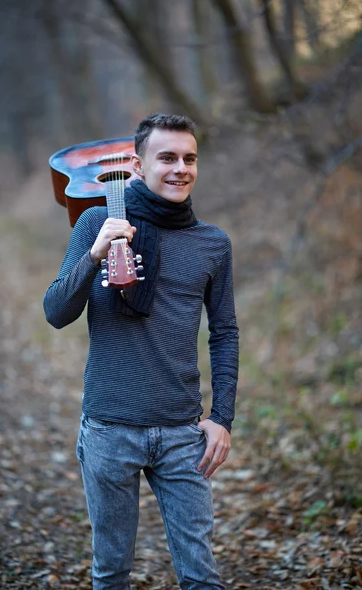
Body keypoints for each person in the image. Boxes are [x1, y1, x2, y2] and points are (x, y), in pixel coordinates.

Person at [43, 113, 239, 590]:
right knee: (111, 574)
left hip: (181, 433)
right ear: (137, 164)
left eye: (189, 159)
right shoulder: (97, 220)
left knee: (202, 576)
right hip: (110, 429)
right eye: (167, 157)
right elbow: (56, 311)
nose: (180, 169)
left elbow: (225, 332)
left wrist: (223, 418)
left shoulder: (212, 244)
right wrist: (95, 255)